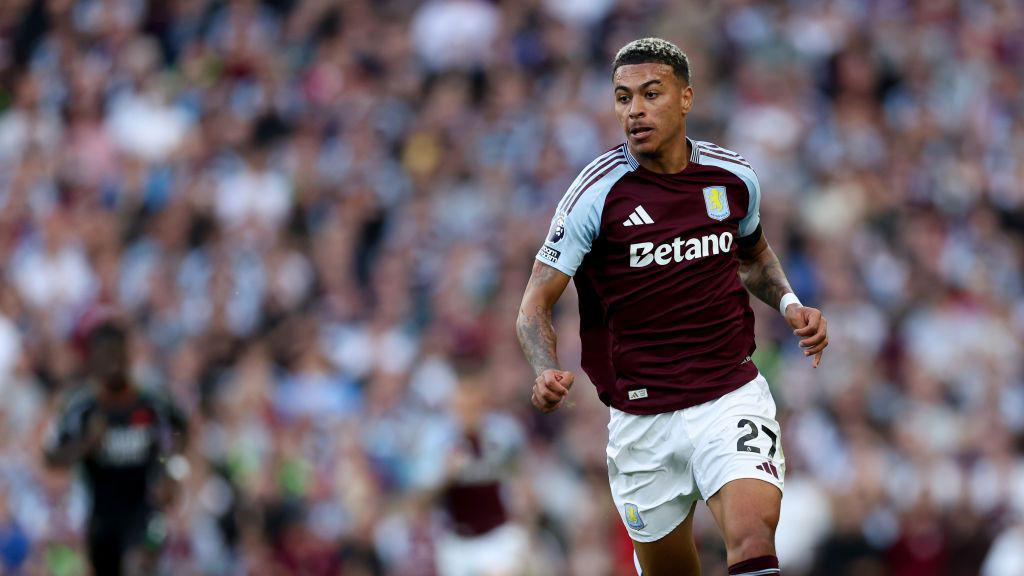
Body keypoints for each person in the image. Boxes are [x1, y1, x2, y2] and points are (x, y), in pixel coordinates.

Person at [515, 38, 829, 576]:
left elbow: (752, 257)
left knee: (754, 534)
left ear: (686, 98)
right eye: (622, 98)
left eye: (650, 94)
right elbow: (533, 305)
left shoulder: (732, 178)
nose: (634, 110)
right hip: (641, 419)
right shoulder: (596, 193)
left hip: (728, 395)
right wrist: (545, 369)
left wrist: (791, 303)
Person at [44, 320, 188, 576]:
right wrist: (87, 444)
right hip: (101, 513)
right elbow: (54, 458)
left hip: (145, 507)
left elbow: (180, 431)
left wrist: (169, 469)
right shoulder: (82, 407)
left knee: (138, 563)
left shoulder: (152, 400)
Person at [412, 364, 528, 576]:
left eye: (474, 405)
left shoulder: (504, 435)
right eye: (462, 406)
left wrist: (525, 520)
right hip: (457, 539)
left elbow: (521, 480)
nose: (468, 413)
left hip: (499, 533)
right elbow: (420, 498)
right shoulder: (437, 441)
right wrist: (446, 475)